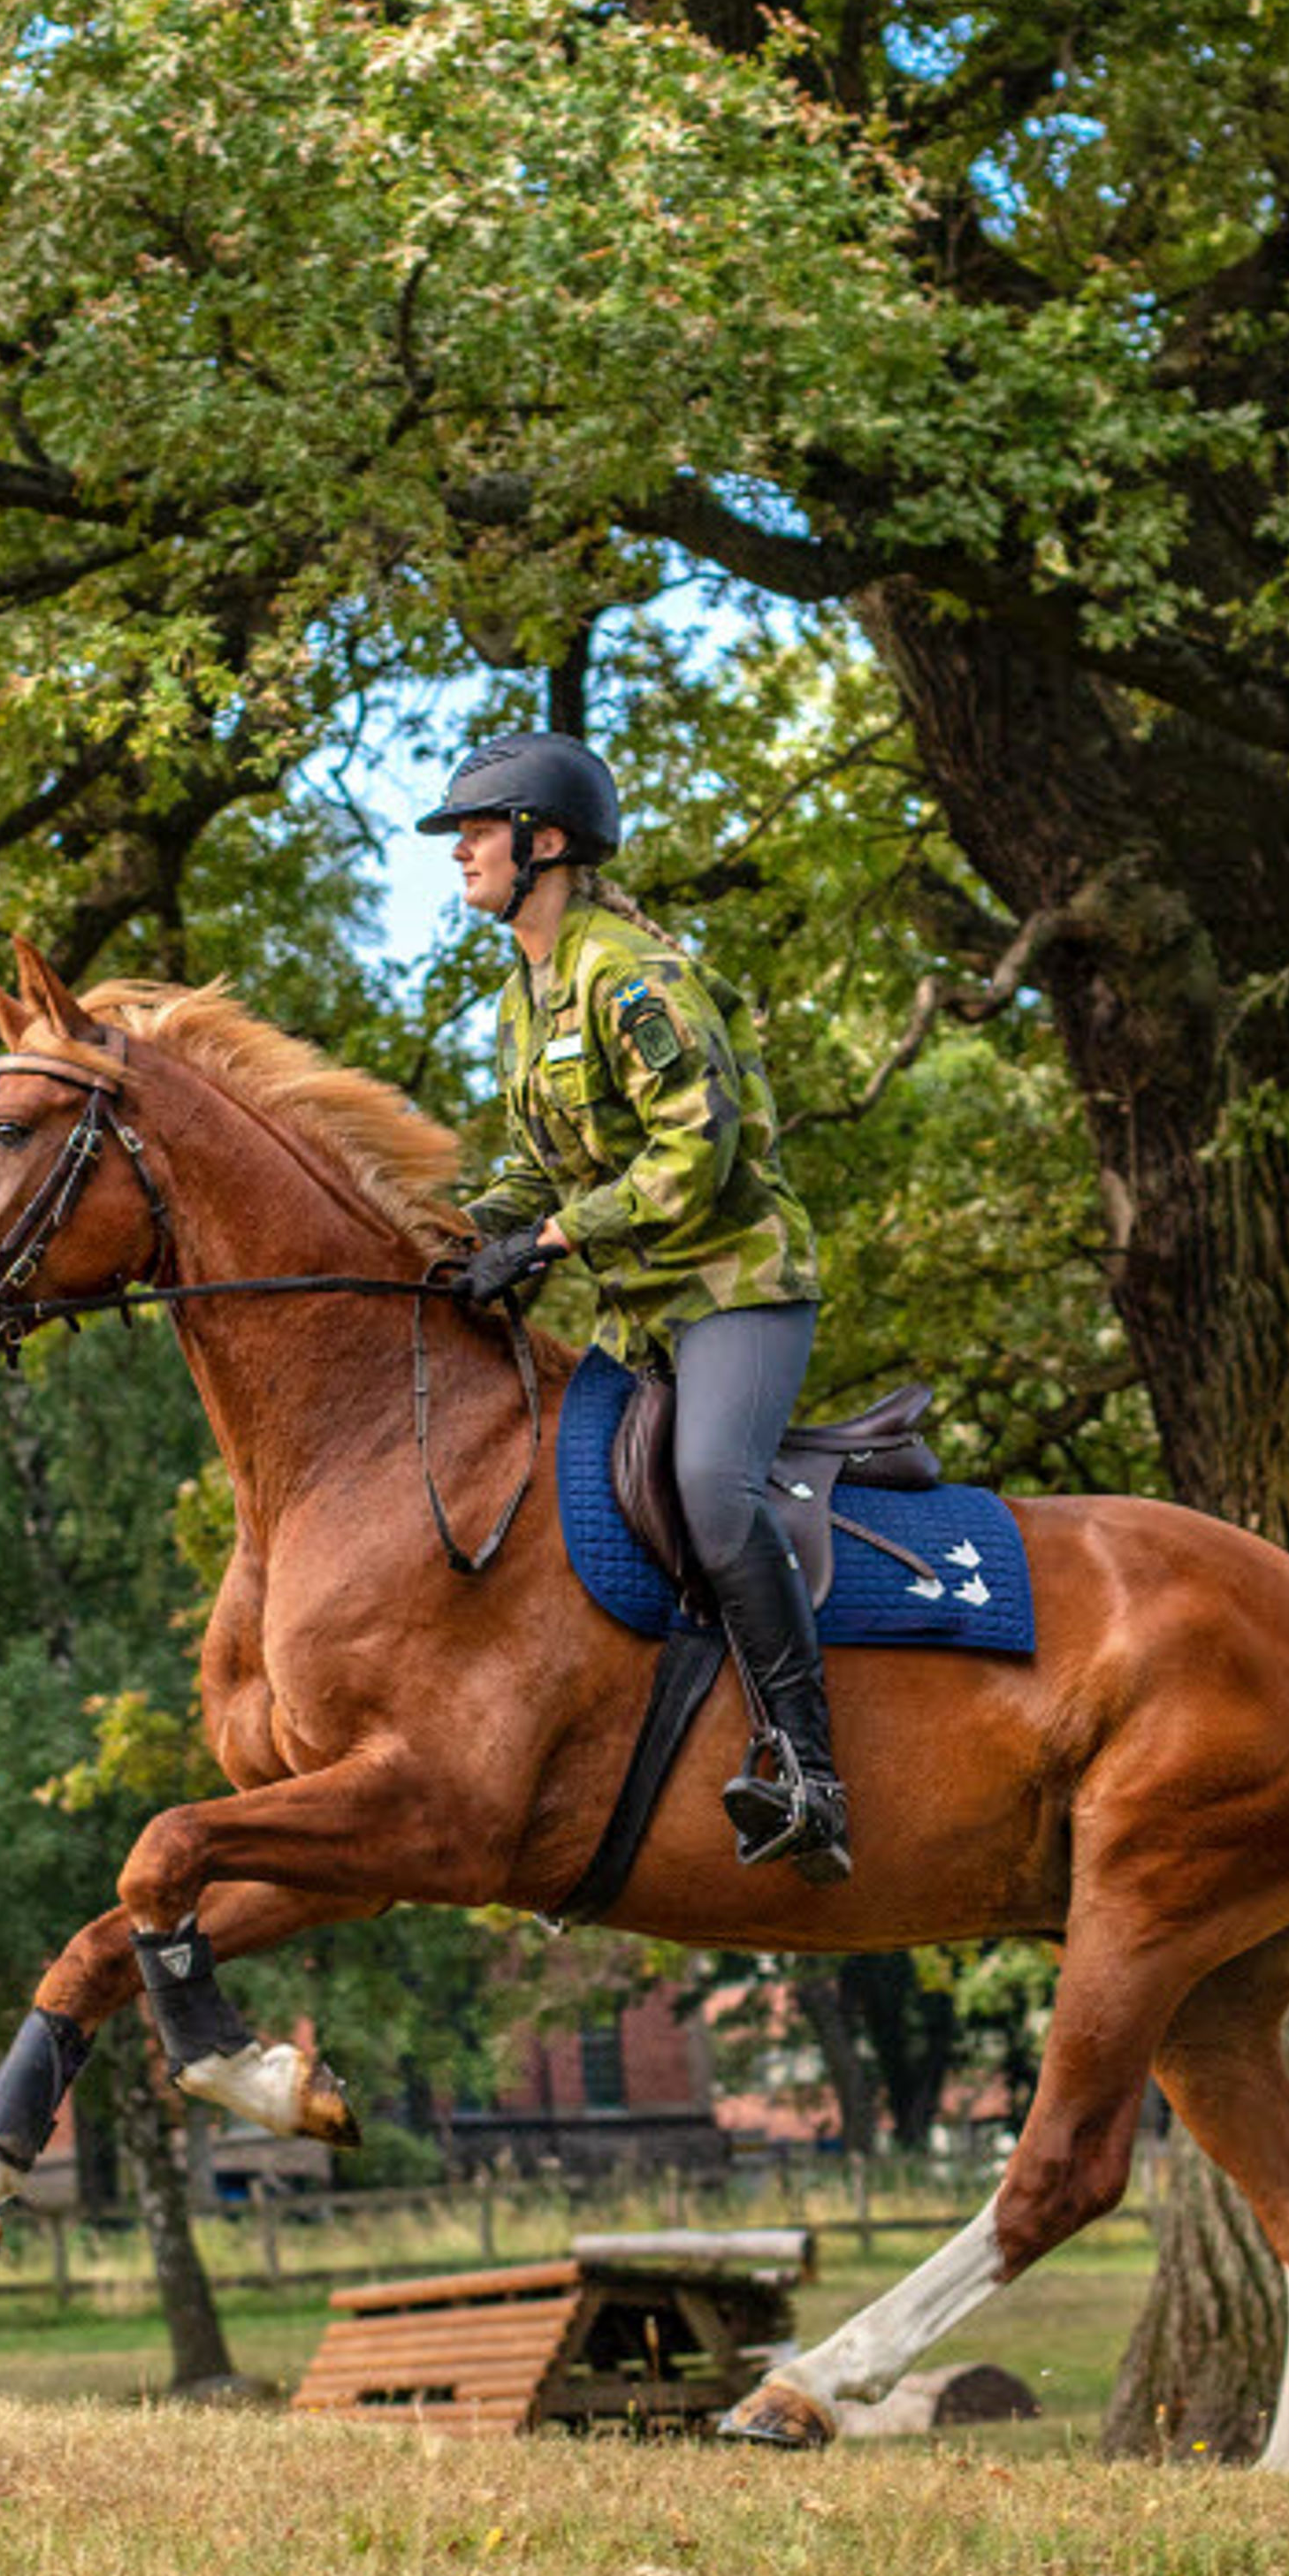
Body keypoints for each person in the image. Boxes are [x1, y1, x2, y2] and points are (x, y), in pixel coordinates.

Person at [415, 733, 848, 1880]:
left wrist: (549, 1240)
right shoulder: (520, 1001)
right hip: (637, 1316)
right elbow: (534, 1170)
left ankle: (810, 1770)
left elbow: (694, 1154)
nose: (459, 850)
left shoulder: (631, 976)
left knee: (712, 1492)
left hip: (733, 1288)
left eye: (477, 830)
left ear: (544, 843)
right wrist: (445, 1237)